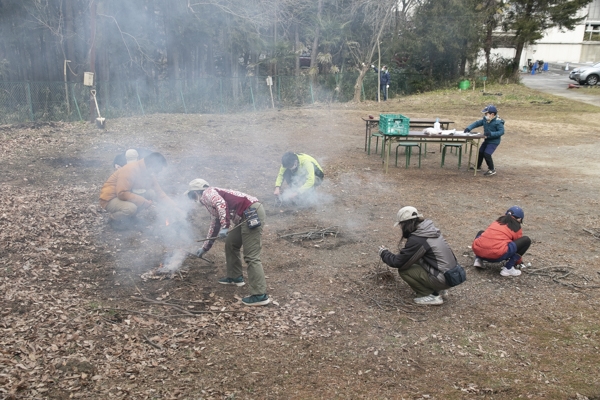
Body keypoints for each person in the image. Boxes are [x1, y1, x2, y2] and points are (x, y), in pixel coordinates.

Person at [186, 179, 270, 307]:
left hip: (252, 212)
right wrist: (205, 248)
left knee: (251, 255)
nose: (193, 199)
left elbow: (221, 204)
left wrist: (225, 226)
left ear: (197, 192)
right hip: (244, 216)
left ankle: (260, 295)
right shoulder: (210, 201)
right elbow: (215, 224)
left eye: (192, 195)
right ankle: (235, 277)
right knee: (231, 243)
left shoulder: (208, 193)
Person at [378, 206, 463, 306]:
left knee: (404, 270)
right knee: (415, 260)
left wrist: (384, 253)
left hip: (444, 279)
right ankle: (439, 289)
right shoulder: (429, 230)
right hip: (453, 274)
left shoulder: (418, 238)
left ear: (406, 224)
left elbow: (399, 262)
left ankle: (429, 295)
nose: (401, 228)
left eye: (401, 224)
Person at [99, 152, 179, 228]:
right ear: (151, 165)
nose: (156, 173)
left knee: (151, 193)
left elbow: (159, 193)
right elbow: (122, 193)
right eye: (156, 170)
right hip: (110, 198)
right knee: (130, 208)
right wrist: (143, 201)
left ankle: (131, 217)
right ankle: (113, 219)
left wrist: (175, 207)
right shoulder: (130, 169)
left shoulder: (149, 173)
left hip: (124, 195)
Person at [472, 206, 531, 277]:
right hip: (496, 255)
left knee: (481, 233)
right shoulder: (516, 227)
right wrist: (518, 262)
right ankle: (508, 268)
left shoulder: (496, 222)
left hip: (479, 251)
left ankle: (478, 259)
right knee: (526, 240)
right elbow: (518, 246)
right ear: (520, 219)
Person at [463, 104, 504, 176]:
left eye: (486, 113)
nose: (485, 115)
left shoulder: (498, 122)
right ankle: (478, 166)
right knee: (481, 152)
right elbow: (477, 123)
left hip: (494, 141)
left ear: (492, 114)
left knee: (487, 154)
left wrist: (491, 134)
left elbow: (501, 132)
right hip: (487, 140)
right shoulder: (485, 119)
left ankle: (492, 169)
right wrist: (469, 128)